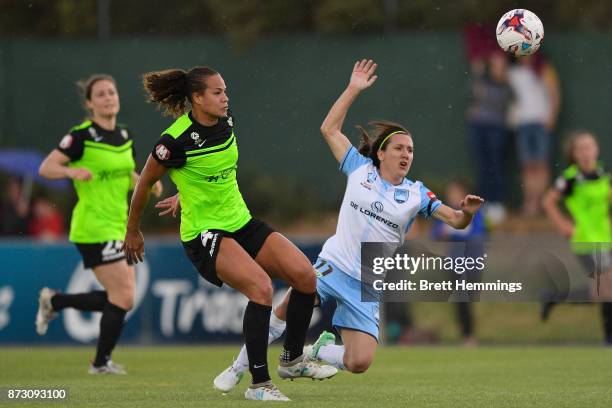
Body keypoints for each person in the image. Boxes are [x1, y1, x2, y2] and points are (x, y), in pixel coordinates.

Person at [196, 59, 483, 392]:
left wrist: (468, 212)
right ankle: (239, 368)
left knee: (360, 362)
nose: (407, 155)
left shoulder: (417, 193)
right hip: (333, 265)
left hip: (367, 284)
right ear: (382, 153)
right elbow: (328, 129)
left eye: (411, 151)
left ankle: (317, 350)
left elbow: (456, 221)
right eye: (400, 148)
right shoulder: (360, 170)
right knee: (283, 311)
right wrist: (353, 89)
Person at [122, 66, 336, 402]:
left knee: (306, 277)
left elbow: (212, 170)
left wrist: (186, 190)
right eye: (218, 92)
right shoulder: (173, 141)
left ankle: (292, 360)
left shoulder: (225, 120)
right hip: (205, 233)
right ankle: (259, 385)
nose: (226, 98)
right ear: (197, 98)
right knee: (261, 289)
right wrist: (132, 230)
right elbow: (145, 183)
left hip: (241, 221)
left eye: (225, 91)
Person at [35, 74, 163, 374]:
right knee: (124, 296)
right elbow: (47, 167)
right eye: (101, 94)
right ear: (90, 103)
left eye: (112, 92)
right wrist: (72, 171)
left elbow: (126, 172)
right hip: (93, 226)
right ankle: (100, 362)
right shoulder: (81, 136)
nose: (109, 97)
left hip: (118, 225)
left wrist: (147, 183)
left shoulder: (124, 135)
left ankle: (55, 301)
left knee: (121, 297)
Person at [542, 130, 612, 344]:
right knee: (607, 286)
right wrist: (563, 224)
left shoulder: (603, 174)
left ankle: (554, 297)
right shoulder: (570, 178)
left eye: (589, 147)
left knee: (602, 290)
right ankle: (608, 336)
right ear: (574, 154)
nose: (585, 152)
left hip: (605, 238)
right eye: (580, 148)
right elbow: (548, 201)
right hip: (585, 240)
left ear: (596, 149)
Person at [431, 179, 486, 346]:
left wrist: (454, 232)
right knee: (459, 301)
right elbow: (436, 233)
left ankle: (469, 335)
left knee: (466, 300)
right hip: (454, 264)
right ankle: (466, 335)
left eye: (455, 192)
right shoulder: (446, 212)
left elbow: (476, 233)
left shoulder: (474, 211)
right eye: (450, 193)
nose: (452, 196)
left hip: (471, 264)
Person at [507, 53, 561, 216]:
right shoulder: (513, 73)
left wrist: (552, 115)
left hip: (541, 122)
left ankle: (540, 202)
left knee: (541, 164)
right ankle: (529, 202)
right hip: (523, 124)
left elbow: (554, 92)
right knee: (528, 165)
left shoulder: (544, 70)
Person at [466, 52, 513, 224]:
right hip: (478, 127)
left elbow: (499, 102)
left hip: (497, 129)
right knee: (482, 165)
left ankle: (498, 202)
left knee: (496, 164)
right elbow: (474, 98)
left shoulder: (507, 85)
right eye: (495, 65)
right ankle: (483, 203)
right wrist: (477, 75)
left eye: (501, 65)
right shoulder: (481, 81)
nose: (498, 68)